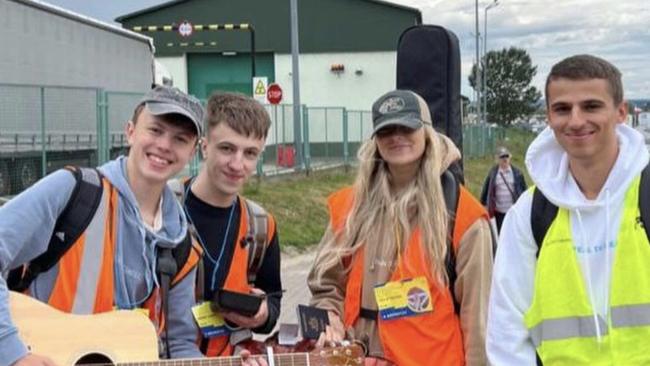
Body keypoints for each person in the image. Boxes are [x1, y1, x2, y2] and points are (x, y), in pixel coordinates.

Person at [0, 85, 205, 365]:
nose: (165, 146)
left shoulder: (182, 246)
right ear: (130, 131)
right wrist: (13, 353)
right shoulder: (74, 191)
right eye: (155, 130)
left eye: (180, 139)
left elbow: (179, 344)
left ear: (193, 153)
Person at [308, 89, 494, 365]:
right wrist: (329, 317)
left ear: (427, 132)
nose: (396, 136)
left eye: (407, 127)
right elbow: (326, 285)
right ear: (375, 140)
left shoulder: (463, 216)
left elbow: (478, 320)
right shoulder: (350, 207)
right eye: (386, 130)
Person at [487, 54, 650, 365]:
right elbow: (507, 330)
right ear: (549, 117)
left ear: (621, 113)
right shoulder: (530, 213)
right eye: (562, 109)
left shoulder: (645, 195)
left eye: (591, 106)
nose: (576, 120)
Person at [180, 92, 282, 358]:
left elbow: (273, 299)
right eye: (227, 148)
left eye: (250, 153)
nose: (238, 164)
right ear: (204, 146)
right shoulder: (162, 207)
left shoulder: (261, 226)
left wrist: (262, 314)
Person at [480, 146, 527, 232]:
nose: (505, 159)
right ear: (497, 159)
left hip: (513, 211)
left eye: (506, 156)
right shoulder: (493, 173)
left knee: (513, 233)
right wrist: (483, 205)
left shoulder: (517, 173)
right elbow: (486, 189)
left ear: (510, 157)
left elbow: (524, 190)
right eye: (502, 157)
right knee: (500, 234)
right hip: (499, 212)